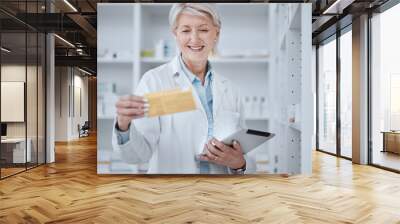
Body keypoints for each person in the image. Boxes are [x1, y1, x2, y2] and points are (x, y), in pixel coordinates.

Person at [112, 3, 254, 174]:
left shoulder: (231, 90)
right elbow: (137, 156)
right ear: (175, 34)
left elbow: (244, 153)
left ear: (216, 32)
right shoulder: (154, 81)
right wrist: (124, 126)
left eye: (203, 30)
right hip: (172, 193)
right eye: (186, 31)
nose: (194, 39)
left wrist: (240, 163)